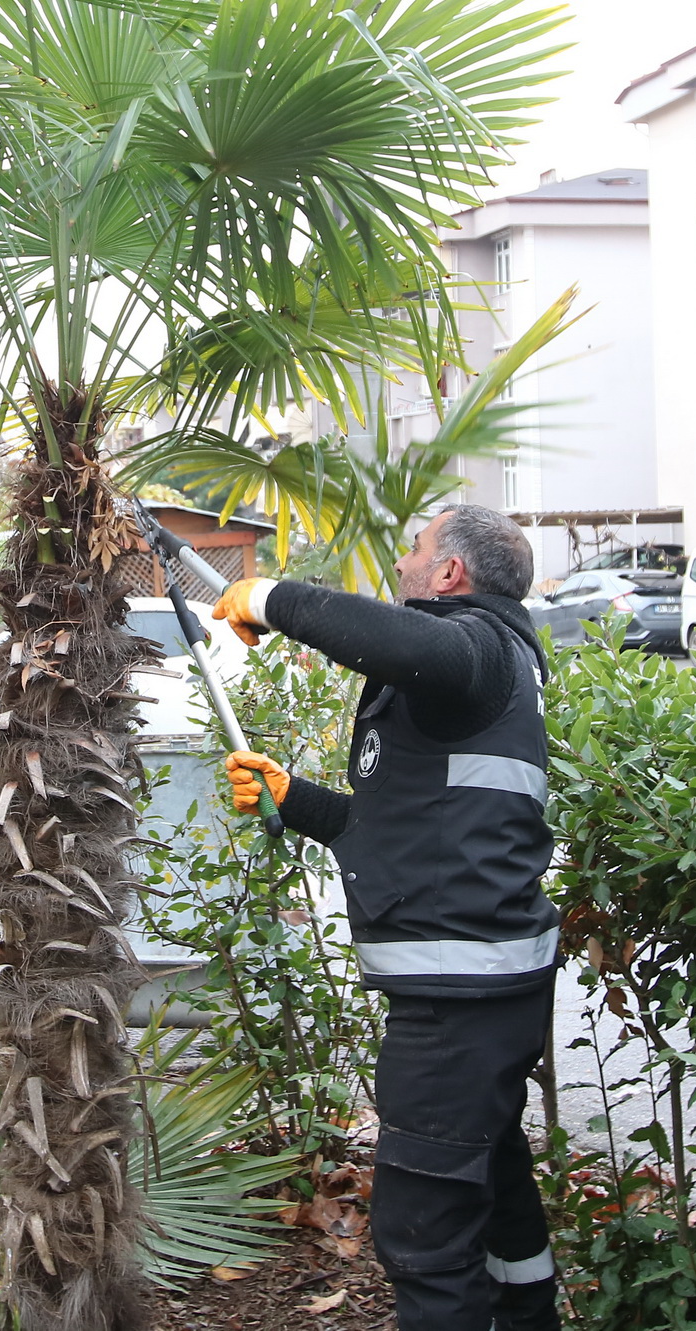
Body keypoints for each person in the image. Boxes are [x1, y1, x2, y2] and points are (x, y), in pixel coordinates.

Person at [210, 505, 560, 1331]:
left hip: (456, 1008)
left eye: (415, 550)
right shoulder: (475, 678)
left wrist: (270, 597)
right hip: (485, 995)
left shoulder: (472, 649)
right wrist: (298, 801)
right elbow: (409, 825)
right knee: (495, 1184)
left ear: (450, 575)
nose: (404, 563)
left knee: (424, 1238)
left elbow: (414, 642)